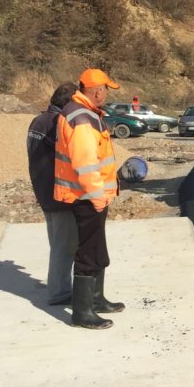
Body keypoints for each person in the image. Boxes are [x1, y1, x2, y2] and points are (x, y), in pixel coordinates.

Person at [54, 68, 125, 330]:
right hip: (87, 197)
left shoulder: (85, 113)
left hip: (93, 196)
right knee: (88, 252)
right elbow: (85, 165)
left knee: (97, 249)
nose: (106, 93)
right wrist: (97, 198)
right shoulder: (82, 118)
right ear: (96, 90)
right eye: (106, 89)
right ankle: (82, 312)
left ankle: (96, 299)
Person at [26, 81, 78, 306]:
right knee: (64, 247)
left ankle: (59, 286)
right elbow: (69, 158)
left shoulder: (38, 121)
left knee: (57, 242)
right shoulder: (58, 124)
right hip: (59, 195)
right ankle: (59, 293)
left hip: (43, 190)